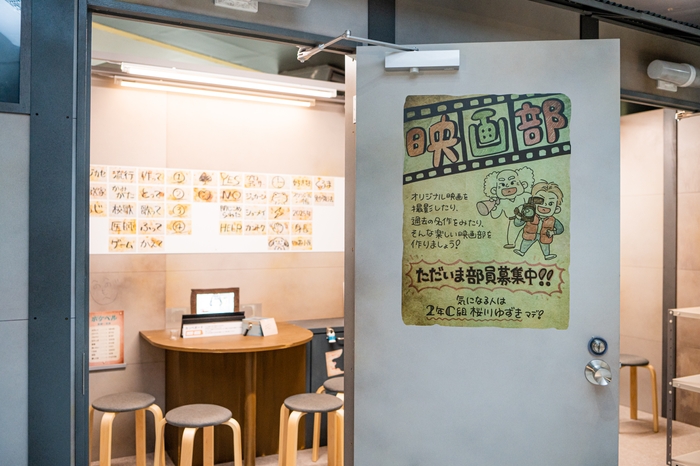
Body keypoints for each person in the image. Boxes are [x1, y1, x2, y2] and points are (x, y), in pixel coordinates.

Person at [513, 181, 564, 260]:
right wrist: (519, 217)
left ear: (557, 209)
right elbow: (517, 224)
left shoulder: (553, 220)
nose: (544, 205)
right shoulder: (530, 214)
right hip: (530, 234)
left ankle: (547, 255)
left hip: (544, 236)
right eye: (540, 201)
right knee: (526, 242)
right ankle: (521, 251)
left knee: (545, 245)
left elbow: (560, 229)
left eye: (550, 203)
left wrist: (553, 232)